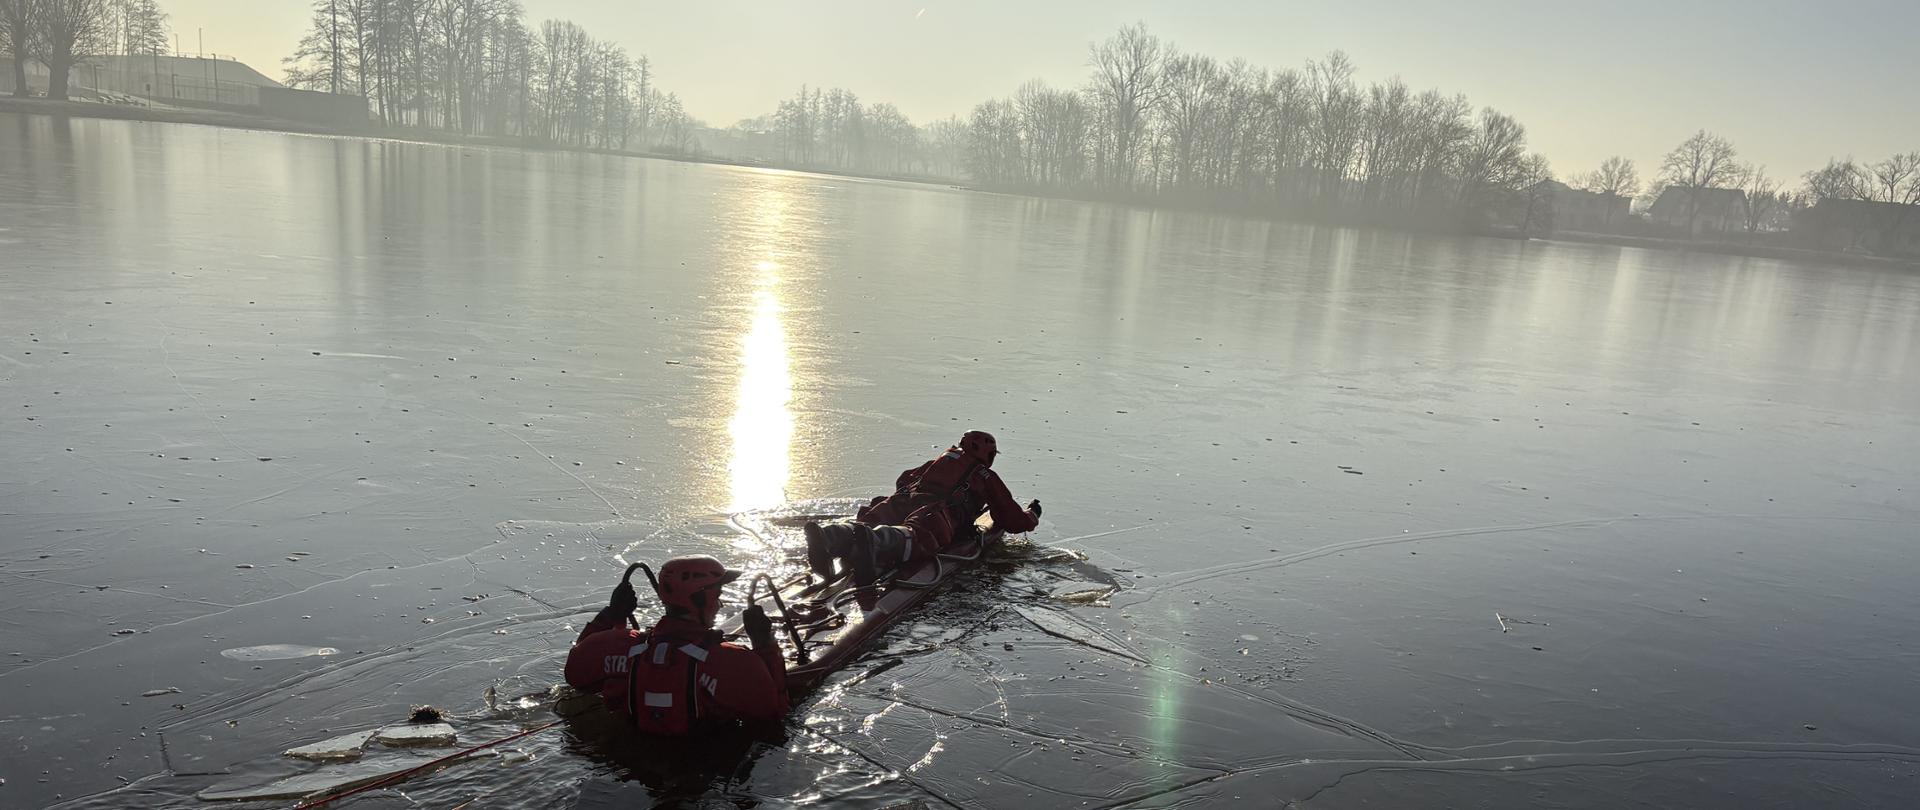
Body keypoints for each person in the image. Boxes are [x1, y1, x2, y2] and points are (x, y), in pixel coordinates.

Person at [564, 556, 788, 735]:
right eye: (717, 595)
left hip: (629, 760)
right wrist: (765, 645)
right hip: (702, 770)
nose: (719, 604)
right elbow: (774, 711)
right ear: (700, 600)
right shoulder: (732, 662)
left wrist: (611, 616)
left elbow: (574, 672)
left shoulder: (618, 645)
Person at [806, 430, 1041, 581]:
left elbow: (904, 479)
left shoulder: (938, 461)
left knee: (870, 519)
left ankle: (830, 535)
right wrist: (1032, 514)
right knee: (917, 536)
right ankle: (874, 541)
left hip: (902, 500)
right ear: (989, 455)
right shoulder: (984, 475)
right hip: (935, 513)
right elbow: (1012, 519)